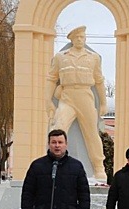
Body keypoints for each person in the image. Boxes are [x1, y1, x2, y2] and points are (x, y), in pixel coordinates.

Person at [45, 25, 108, 181]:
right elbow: (52, 79)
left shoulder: (93, 58)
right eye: (77, 37)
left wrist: (103, 103)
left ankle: (99, 167)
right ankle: (53, 163)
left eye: (82, 37)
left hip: (85, 96)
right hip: (67, 97)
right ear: (72, 39)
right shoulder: (60, 57)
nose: (80, 40)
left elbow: (99, 81)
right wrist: (48, 101)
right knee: (57, 130)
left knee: (92, 133)